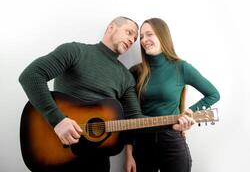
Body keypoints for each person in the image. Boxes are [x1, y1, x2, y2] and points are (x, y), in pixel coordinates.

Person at [19, 16, 193, 172]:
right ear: (111, 27)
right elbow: (31, 76)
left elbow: (136, 121)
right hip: (56, 148)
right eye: (129, 32)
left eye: (134, 39)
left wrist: (172, 123)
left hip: (98, 160)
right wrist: (57, 120)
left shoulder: (126, 76)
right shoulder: (75, 51)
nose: (132, 39)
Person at [124, 18, 220, 172]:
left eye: (149, 34)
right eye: (141, 37)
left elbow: (213, 94)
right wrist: (128, 154)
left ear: (162, 36)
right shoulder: (135, 72)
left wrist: (190, 112)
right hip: (142, 145)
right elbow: (128, 115)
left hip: (172, 142)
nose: (144, 40)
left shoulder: (180, 67)